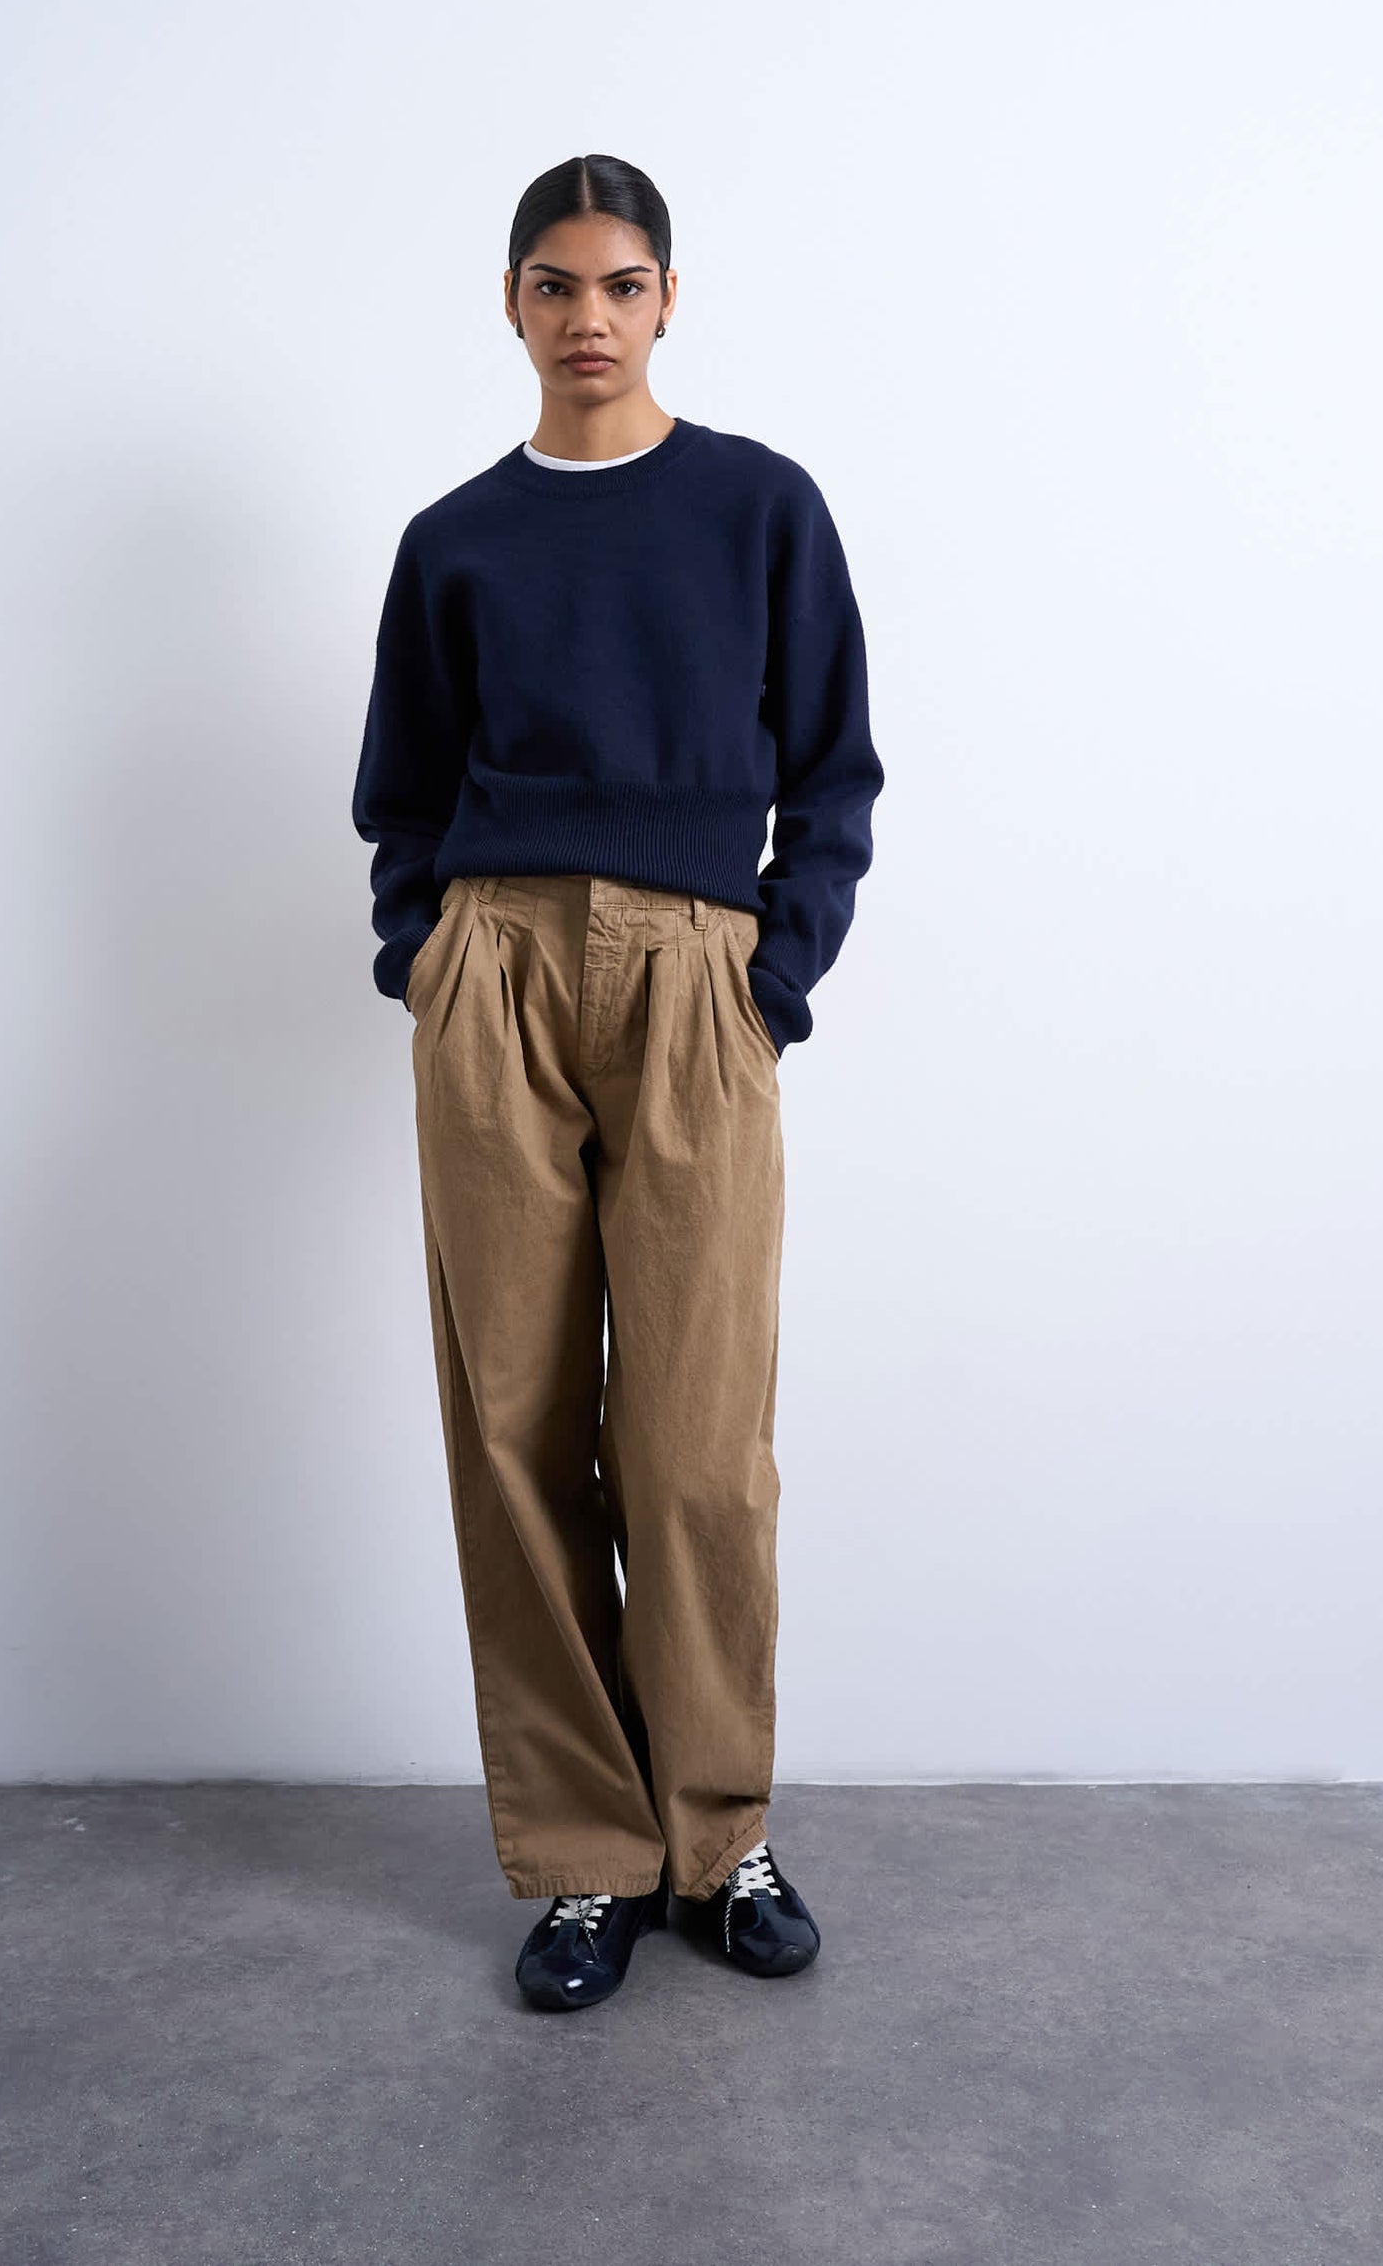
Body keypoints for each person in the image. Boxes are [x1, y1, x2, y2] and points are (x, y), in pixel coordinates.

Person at [351, 154, 884, 2011]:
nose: (590, 317)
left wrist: (769, 979)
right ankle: (587, 1858)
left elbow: (831, 772)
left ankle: (715, 1838)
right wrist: (425, 955)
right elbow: (402, 793)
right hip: (493, 970)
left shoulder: (757, 506)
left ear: (669, 300)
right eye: (556, 284)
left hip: (692, 978)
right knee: (514, 1429)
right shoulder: (455, 540)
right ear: (511, 303)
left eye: (623, 283)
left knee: (696, 1445)